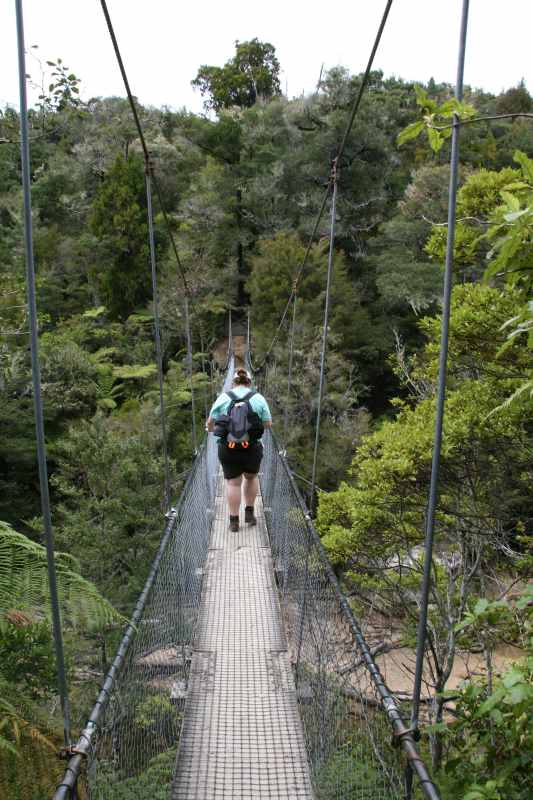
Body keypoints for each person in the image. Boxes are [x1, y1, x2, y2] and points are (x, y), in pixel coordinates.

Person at [206, 367, 272, 532]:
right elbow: (268, 424)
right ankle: (249, 513)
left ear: (233, 382)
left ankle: (234, 522)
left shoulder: (223, 397)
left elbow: (210, 423)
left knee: (234, 484)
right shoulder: (258, 398)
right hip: (252, 448)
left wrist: (212, 429)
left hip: (228, 449)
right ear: (249, 382)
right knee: (251, 478)